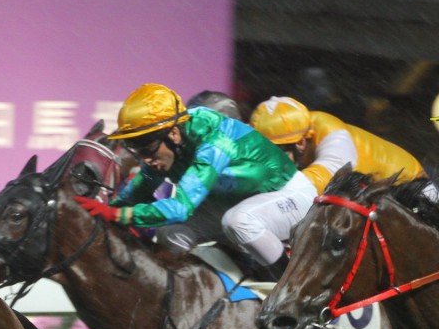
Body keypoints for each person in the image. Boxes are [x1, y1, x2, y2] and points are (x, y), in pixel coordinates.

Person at [74, 83, 315, 281]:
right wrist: (105, 212)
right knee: (172, 233)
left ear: (173, 133)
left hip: (291, 198)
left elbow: (180, 208)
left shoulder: (215, 141)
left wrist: (118, 216)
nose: (146, 161)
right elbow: (140, 187)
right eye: (137, 151)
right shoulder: (166, 145)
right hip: (238, 204)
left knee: (239, 221)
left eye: (148, 150)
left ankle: (294, 289)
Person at [249, 96, 431, 195]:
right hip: (365, 195)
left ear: (301, 143)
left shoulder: (334, 134)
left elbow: (320, 180)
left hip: (411, 188)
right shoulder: (296, 130)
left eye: (277, 152)